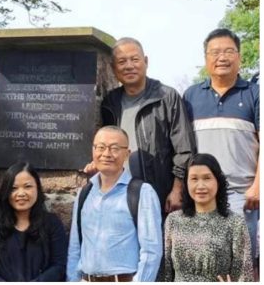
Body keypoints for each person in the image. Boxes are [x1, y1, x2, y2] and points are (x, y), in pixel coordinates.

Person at [86, 37, 195, 215]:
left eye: (134, 59)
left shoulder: (166, 97)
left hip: (159, 192)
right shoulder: (110, 102)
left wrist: (177, 189)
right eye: (122, 62)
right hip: (119, 194)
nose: (129, 66)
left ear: (145, 62)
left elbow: (185, 149)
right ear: (114, 68)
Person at [183, 28, 259, 273]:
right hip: (201, 193)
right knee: (201, 263)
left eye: (229, 51)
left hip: (240, 194)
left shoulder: (255, 93)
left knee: (240, 264)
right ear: (206, 58)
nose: (222, 57)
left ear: (240, 57)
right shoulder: (191, 95)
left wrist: (258, 185)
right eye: (215, 52)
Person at [68, 126, 162, 282]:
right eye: (101, 147)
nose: (106, 154)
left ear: (127, 153)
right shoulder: (84, 193)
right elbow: (75, 248)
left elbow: (151, 251)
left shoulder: (142, 192)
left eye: (115, 148)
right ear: (93, 150)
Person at [164, 153, 253, 282]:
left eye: (207, 178)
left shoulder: (234, 223)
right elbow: (167, 272)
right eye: (194, 179)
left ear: (218, 181)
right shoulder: (173, 220)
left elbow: (245, 274)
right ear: (186, 183)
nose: (200, 186)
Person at [0, 162, 68, 281]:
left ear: (37, 189)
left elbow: (59, 266)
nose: (21, 193)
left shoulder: (52, 224)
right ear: (6, 191)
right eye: (13, 188)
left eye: (27, 186)